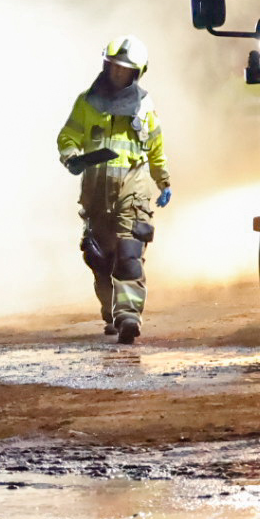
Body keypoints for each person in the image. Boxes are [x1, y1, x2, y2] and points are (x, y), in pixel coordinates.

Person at [57, 35, 172, 344]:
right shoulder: (86, 102)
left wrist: (163, 181)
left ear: (136, 73)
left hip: (131, 190)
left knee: (129, 252)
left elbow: (155, 147)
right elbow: (68, 135)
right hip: (96, 193)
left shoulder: (144, 106)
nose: (118, 74)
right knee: (100, 259)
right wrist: (70, 156)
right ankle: (111, 313)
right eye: (114, 68)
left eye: (125, 70)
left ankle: (129, 316)